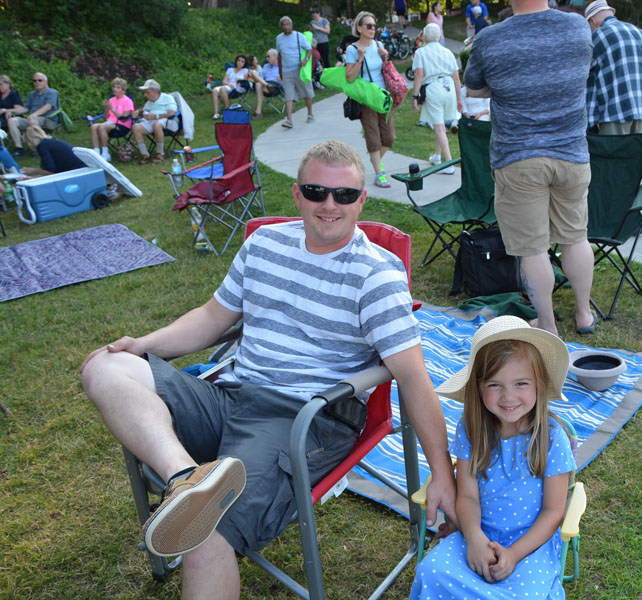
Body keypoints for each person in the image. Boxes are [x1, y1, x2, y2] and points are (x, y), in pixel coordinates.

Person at [80, 139, 458, 600]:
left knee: (204, 530)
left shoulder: (376, 274)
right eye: (316, 191)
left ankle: (198, 499)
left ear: (361, 200)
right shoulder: (264, 243)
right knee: (105, 366)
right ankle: (186, 479)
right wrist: (142, 346)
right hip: (231, 394)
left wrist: (443, 473)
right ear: (297, 194)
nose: (329, 205)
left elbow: (413, 378)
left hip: (302, 419)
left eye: (343, 194)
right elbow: (212, 318)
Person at [409, 315, 576, 598]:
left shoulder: (552, 438)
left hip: (530, 545)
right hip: (477, 532)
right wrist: (474, 538)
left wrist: (514, 554)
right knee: (431, 572)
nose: (508, 396)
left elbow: (552, 512)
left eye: (521, 383)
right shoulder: (471, 429)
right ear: (478, 387)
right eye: (495, 385)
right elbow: (468, 497)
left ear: (538, 384)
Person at [466, 0, 596, 336]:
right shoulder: (578, 26)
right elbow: (583, 71)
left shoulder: (489, 38)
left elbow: (474, 88)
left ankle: (548, 325)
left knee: (532, 249)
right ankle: (584, 315)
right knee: (575, 237)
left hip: (518, 157)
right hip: (572, 154)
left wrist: (507, 83)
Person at [585, 0, 642, 135]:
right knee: (633, 148)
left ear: (593, 21)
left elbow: (582, 71)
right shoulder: (640, 34)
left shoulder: (598, 36)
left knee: (611, 149)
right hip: (641, 110)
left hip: (614, 112)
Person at [344, 11, 395, 189]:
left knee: (389, 138)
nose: (373, 29)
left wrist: (385, 57)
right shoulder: (352, 49)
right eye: (369, 26)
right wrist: (360, 58)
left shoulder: (379, 45)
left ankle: (372, 163)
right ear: (359, 28)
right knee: (373, 138)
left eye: (374, 26)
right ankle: (379, 174)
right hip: (366, 98)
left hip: (382, 97)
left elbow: (386, 70)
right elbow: (350, 77)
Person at [413, 23, 464, 173]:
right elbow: (456, 78)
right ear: (440, 36)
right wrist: (459, 99)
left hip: (433, 88)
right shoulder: (448, 52)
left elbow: (419, 75)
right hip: (449, 88)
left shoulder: (421, 52)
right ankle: (437, 156)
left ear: (424, 37)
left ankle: (448, 164)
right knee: (438, 123)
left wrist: (415, 96)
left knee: (440, 127)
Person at [7, 72, 59, 157]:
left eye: (40, 80)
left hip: (48, 119)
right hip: (32, 119)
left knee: (32, 119)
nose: (37, 82)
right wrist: (11, 110)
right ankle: (19, 149)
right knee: (12, 121)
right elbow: (25, 109)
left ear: (46, 82)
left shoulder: (52, 92)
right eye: (35, 81)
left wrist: (34, 114)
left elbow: (48, 107)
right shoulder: (32, 94)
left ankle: (40, 148)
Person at [276, 15, 315, 128]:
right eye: (283, 25)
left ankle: (310, 113)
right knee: (288, 96)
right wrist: (280, 72)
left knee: (306, 92)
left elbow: (309, 49)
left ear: (291, 25)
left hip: (299, 69)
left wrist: (305, 59)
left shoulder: (299, 36)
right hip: (286, 70)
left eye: (287, 24)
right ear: (281, 27)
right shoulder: (279, 38)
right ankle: (289, 120)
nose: (286, 27)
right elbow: (279, 55)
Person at [131, 79, 178, 165]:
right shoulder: (149, 102)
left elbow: (172, 112)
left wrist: (156, 116)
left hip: (167, 121)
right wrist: (138, 111)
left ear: (155, 91)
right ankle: (145, 155)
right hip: (150, 121)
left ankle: (160, 154)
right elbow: (144, 110)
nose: (145, 95)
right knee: (135, 127)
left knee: (157, 124)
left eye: (147, 92)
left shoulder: (167, 98)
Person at [89, 78, 134, 161]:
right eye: (114, 87)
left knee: (102, 127)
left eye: (118, 87)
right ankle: (96, 152)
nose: (115, 89)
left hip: (122, 125)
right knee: (93, 127)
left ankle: (105, 153)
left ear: (123, 90)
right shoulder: (111, 100)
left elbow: (123, 119)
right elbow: (106, 118)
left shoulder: (128, 101)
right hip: (110, 123)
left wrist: (112, 108)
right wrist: (106, 109)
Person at [20, 125, 86, 177]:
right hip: (80, 167)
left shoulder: (42, 146)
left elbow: (49, 171)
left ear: (30, 140)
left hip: (76, 171)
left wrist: (33, 171)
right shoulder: (49, 143)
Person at [211, 54, 248, 119]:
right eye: (239, 60)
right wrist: (228, 84)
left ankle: (227, 111)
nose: (240, 62)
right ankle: (216, 113)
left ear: (244, 63)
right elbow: (224, 81)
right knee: (214, 90)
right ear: (236, 61)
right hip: (228, 86)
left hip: (237, 88)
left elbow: (247, 80)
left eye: (242, 61)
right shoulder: (230, 70)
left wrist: (241, 79)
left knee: (223, 89)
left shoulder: (245, 70)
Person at [0, 75, 26, 156]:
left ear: (8, 84)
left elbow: (20, 109)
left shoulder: (13, 95)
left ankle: (19, 149)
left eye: (1, 84)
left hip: (8, 118)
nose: (0, 87)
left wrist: (6, 110)